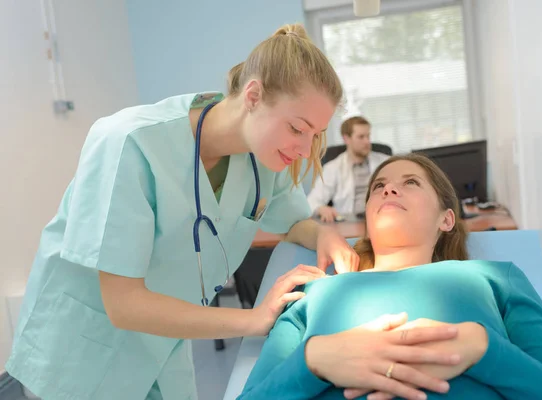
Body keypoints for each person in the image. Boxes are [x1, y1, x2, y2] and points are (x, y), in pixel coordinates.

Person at [5, 24, 363, 400]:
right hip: (85, 351)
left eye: (315, 135)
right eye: (297, 128)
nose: (305, 150)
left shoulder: (262, 156)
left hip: (166, 344)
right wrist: (255, 319)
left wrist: (324, 235)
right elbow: (123, 304)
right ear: (253, 96)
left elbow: (294, 222)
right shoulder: (130, 143)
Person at [238, 154, 542, 400]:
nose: (388, 189)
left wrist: (483, 348)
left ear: (447, 218)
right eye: (378, 187)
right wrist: (313, 361)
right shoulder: (315, 290)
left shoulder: (494, 277)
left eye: (411, 182)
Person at [307, 116, 389, 222]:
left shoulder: (385, 162)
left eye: (368, 136)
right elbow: (312, 202)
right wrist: (320, 209)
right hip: (350, 223)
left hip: (383, 219)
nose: (367, 142)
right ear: (346, 139)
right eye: (361, 137)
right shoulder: (333, 168)